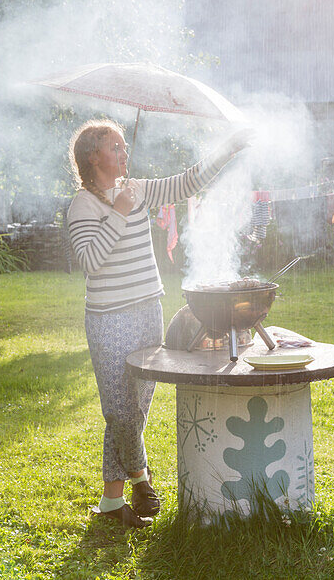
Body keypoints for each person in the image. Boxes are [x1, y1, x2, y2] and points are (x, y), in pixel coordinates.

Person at [66, 119, 248, 528]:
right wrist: (120, 212)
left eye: (123, 146)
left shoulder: (139, 189)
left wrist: (228, 148)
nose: (124, 152)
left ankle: (112, 505)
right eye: (116, 147)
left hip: (148, 310)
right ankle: (141, 479)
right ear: (93, 157)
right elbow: (90, 263)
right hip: (108, 319)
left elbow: (188, 182)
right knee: (119, 410)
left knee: (136, 410)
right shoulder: (82, 205)